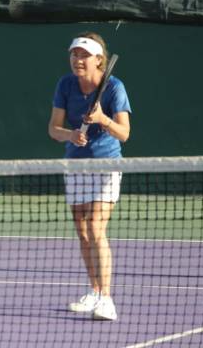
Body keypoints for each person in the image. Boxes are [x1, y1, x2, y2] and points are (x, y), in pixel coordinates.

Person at [48, 32, 131, 321]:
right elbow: (53, 129)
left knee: (96, 228)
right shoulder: (66, 85)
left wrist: (102, 119)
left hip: (106, 164)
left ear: (99, 60)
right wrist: (71, 134)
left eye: (84, 55)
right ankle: (94, 291)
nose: (77, 59)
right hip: (75, 166)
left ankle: (106, 299)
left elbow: (124, 133)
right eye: (74, 54)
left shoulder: (114, 87)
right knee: (83, 233)